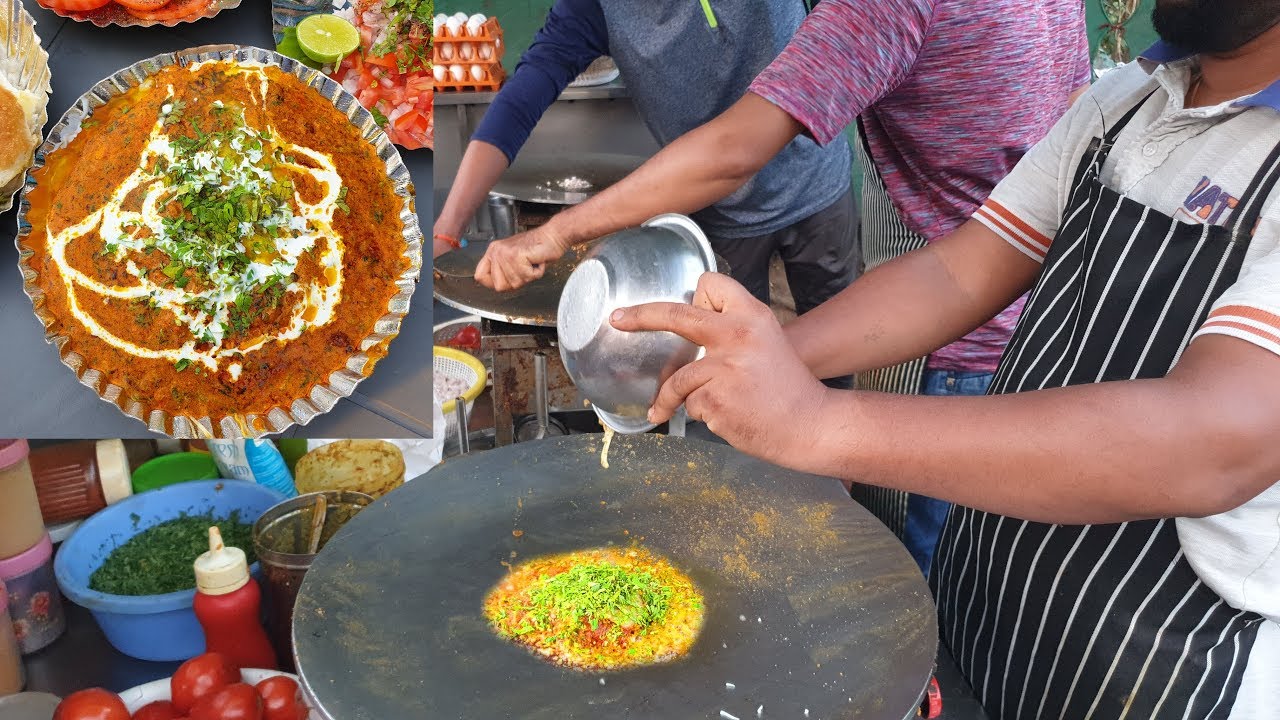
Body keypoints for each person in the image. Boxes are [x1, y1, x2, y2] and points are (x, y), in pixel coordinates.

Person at [608, 1, 1280, 716]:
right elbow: (959, 273)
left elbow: (1210, 443)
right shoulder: (1128, 101)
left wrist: (819, 422)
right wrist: (766, 357)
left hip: (1161, 663)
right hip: (993, 598)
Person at [472, 0, 1091, 574]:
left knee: (946, 595)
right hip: (1048, 317)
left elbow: (734, 149)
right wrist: (765, 359)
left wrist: (556, 235)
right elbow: (970, 262)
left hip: (983, 353)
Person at [434, 0, 860, 327]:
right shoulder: (596, 8)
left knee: (839, 338)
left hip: (818, 185)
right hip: (720, 213)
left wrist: (557, 233)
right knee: (737, 368)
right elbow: (520, 100)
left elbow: (734, 152)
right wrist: (447, 231)